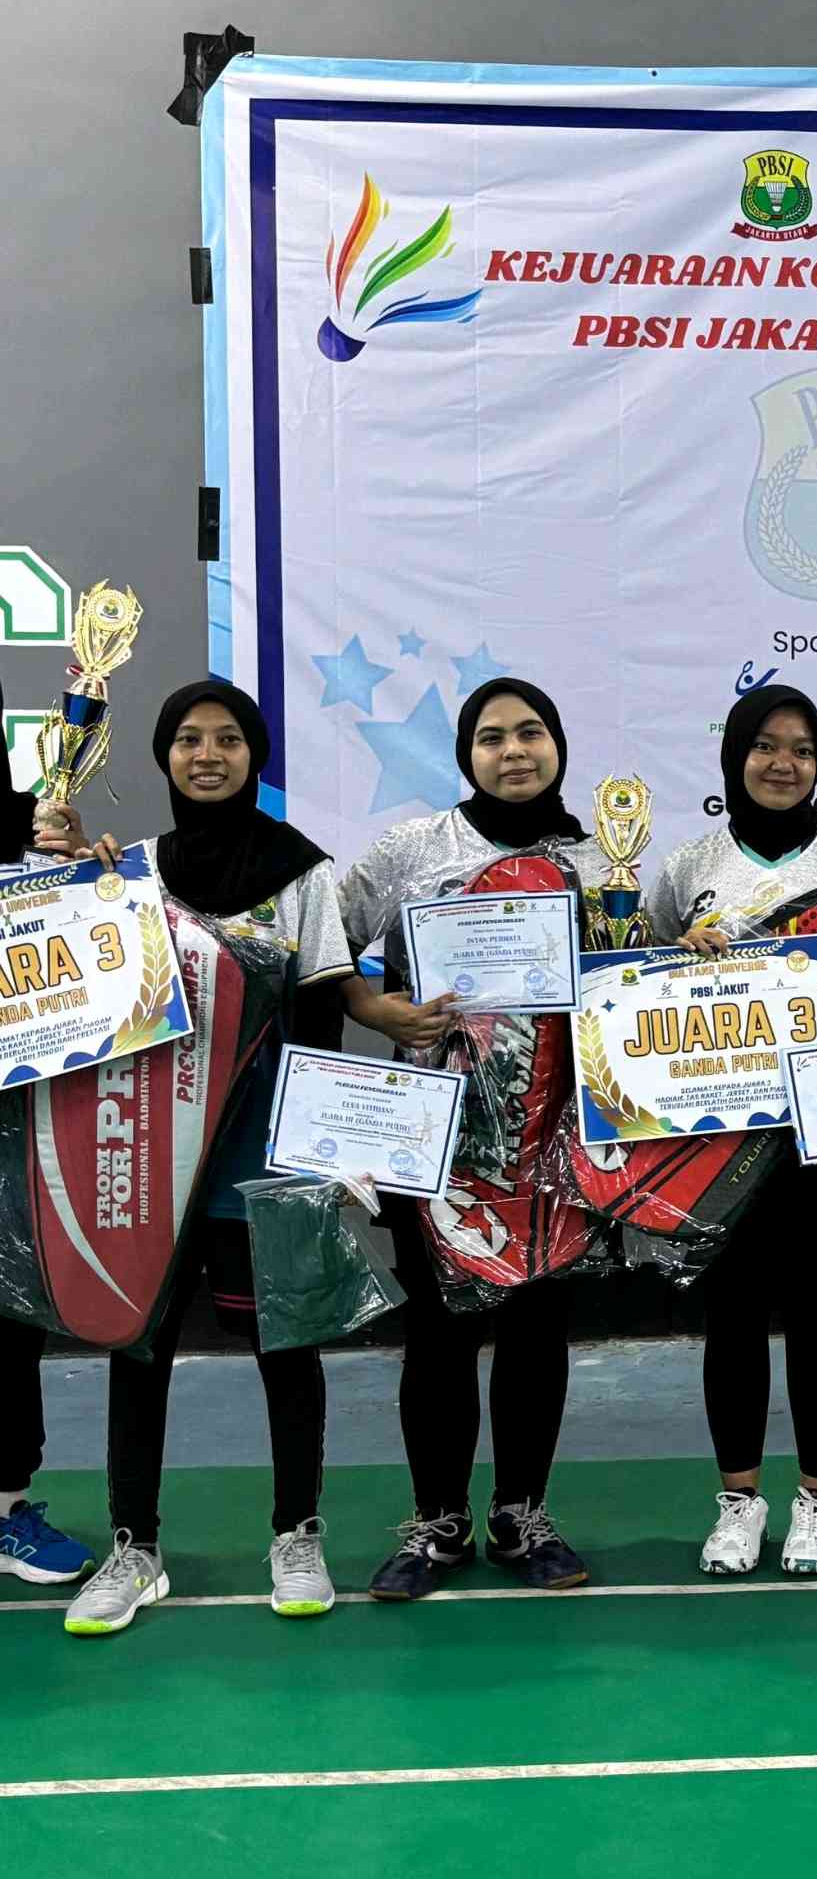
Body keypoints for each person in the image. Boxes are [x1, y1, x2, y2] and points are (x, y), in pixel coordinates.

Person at [49, 682, 359, 1634]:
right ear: (165, 757)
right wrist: (72, 882)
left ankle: (297, 1534)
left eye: (228, 739)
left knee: (286, 1349)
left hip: (259, 1161)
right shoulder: (135, 871)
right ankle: (134, 1547)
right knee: (136, 1350)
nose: (208, 755)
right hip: (151, 1161)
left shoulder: (304, 874)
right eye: (188, 739)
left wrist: (319, 1157)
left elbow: (325, 1019)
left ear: (254, 754)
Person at [336, 678, 609, 1602]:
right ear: (466, 755)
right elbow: (320, 943)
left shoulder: (599, 858)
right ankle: (439, 1522)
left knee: (537, 1331)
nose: (514, 751)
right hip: (436, 1139)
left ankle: (522, 1514)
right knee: (439, 1335)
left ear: (557, 744)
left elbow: (631, 978)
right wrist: (375, 1007)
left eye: (531, 732)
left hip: (557, 1140)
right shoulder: (414, 851)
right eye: (492, 737)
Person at [647, 685, 817, 1577]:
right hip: (719, 1138)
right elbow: (649, 991)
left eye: (802, 748)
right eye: (765, 745)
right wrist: (680, 954)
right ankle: (739, 1503)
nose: (784, 764)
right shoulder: (690, 866)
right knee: (732, 1315)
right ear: (735, 757)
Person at [0, 714, 95, 1590]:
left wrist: (84, 877)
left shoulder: (29, 830)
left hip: (14, 1117)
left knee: (7, 1314)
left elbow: (89, 957)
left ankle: (5, 1507)